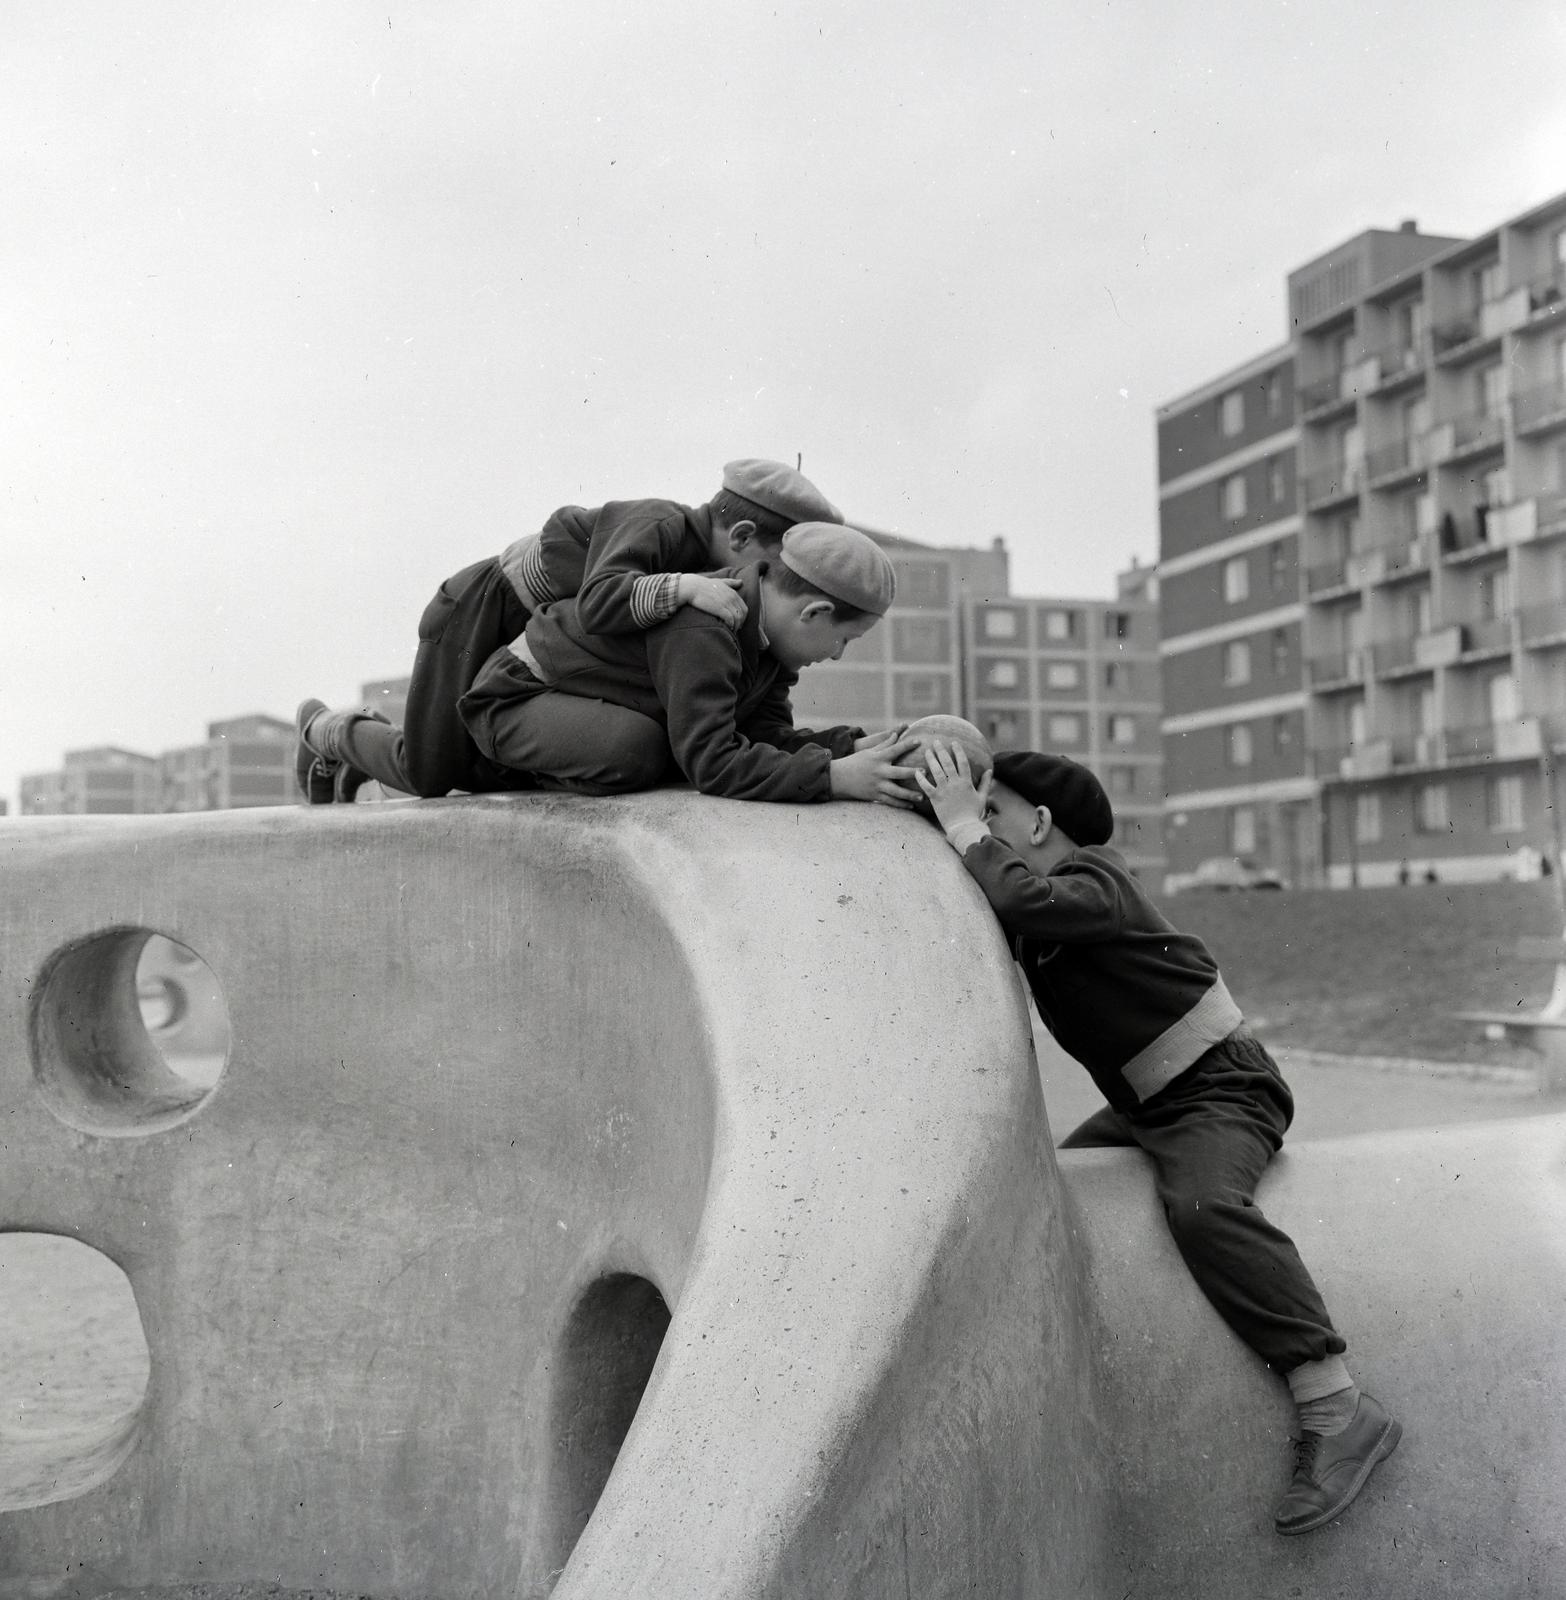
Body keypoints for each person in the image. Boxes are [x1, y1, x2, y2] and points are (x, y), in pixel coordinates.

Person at [914, 742, 1401, 1536]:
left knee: (1204, 1205)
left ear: (1039, 824)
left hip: (1221, 1087)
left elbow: (1023, 897)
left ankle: (1336, 1402)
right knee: (1058, 1176)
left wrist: (965, 829)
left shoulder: (1095, 883)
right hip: (1152, 1104)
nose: (975, 827)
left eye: (992, 813)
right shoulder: (1035, 906)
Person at [294, 458, 842, 803]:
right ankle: (328, 730)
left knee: (481, 755)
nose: (769, 579)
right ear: (743, 536)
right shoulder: (657, 525)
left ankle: (352, 761)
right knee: (432, 769)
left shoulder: (712, 567)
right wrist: (681, 589)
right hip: (478, 612)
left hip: (534, 638)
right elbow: (604, 603)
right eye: (776, 563)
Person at [456, 521, 922, 806]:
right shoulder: (707, 623)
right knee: (637, 750)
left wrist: (849, 749)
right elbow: (713, 762)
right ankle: (491, 769)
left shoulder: (768, 644)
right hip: (516, 699)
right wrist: (833, 777)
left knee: (653, 748)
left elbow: (764, 737)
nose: (837, 654)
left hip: (579, 708)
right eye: (844, 639)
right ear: (813, 612)